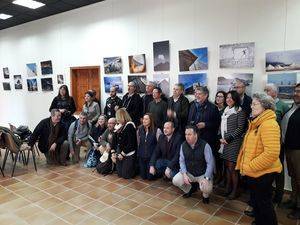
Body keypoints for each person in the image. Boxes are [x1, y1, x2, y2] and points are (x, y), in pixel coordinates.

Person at [236, 93, 281, 225]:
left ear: (265, 107)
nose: (251, 106)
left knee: (264, 204)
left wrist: (250, 166)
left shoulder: (269, 124)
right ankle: (260, 221)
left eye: (255, 104)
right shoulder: (257, 122)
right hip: (255, 172)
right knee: (257, 201)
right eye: (252, 103)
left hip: (263, 173)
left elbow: (271, 153)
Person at [172, 126, 215, 204]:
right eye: (186, 134)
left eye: (189, 134)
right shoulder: (183, 145)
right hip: (189, 173)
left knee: (207, 188)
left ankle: (205, 196)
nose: (187, 137)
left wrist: (206, 178)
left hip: (202, 174)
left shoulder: (205, 145)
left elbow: (210, 163)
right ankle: (190, 189)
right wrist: (184, 174)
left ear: (196, 135)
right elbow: (181, 161)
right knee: (176, 180)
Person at [264, 83, 290, 204]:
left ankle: (279, 195)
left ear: (275, 92)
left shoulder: (283, 106)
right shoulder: (264, 105)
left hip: (278, 143)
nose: (266, 92)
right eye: (265, 90)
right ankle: (267, 194)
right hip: (265, 143)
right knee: (266, 169)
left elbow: (286, 125)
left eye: (267, 90)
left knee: (278, 169)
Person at [219, 90, 246, 199]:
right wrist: (221, 138)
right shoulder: (225, 111)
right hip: (224, 143)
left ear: (236, 99)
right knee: (227, 166)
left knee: (232, 168)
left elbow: (240, 128)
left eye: (231, 98)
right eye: (227, 97)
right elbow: (222, 126)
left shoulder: (240, 111)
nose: (228, 99)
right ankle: (228, 188)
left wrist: (228, 139)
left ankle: (235, 191)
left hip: (234, 143)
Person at [280, 83, 300, 219]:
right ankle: (294, 200)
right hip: (289, 147)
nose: (296, 93)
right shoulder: (293, 107)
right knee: (293, 176)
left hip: (298, 149)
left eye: (299, 91)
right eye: (295, 91)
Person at [188, 86, 220, 160]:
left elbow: (217, 124)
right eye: (195, 93)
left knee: (206, 161)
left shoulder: (213, 108)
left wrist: (205, 125)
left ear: (206, 95)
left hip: (207, 139)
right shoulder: (192, 105)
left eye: (199, 94)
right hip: (194, 139)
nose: (196, 95)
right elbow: (189, 121)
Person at [137, 113, 162, 180]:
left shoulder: (157, 130)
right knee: (143, 177)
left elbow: (159, 147)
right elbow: (138, 143)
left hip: (151, 157)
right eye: (143, 119)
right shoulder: (139, 129)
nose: (144, 121)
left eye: (146, 119)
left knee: (150, 177)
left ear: (151, 120)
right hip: (142, 157)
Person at [114, 108, 137, 179]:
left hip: (128, 152)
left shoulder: (129, 125)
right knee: (119, 173)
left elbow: (132, 144)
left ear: (122, 117)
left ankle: (135, 167)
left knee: (126, 175)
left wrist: (122, 154)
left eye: (118, 118)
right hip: (122, 151)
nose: (117, 120)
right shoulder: (122, 126)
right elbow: (117, 141)